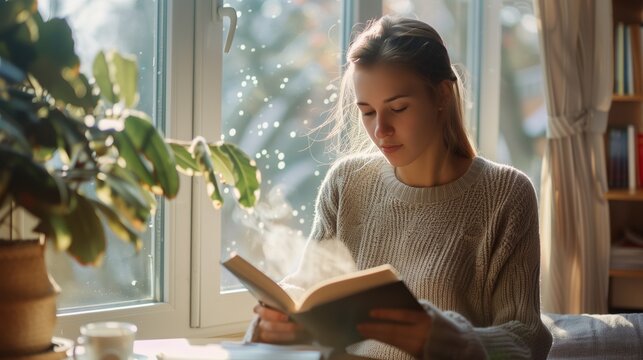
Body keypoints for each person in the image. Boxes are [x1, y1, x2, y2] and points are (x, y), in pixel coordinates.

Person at [244, 15, 553, 359]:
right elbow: (306, 289)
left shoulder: (506, 194)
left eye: (398, 108)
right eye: (368, 112)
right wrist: (270, 325)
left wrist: (454, 341)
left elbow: (527, 340)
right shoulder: (346, 183)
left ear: (441, 95)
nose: (381, 130)